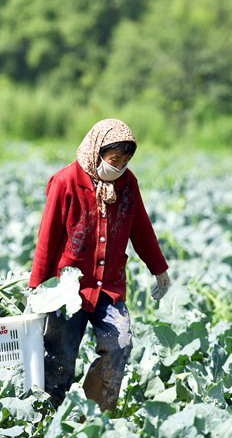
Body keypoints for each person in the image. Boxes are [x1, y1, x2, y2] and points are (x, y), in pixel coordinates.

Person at [30, 119, 171, 413]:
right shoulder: (66, 181)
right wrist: (37, 288)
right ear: (96, 151)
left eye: (125, 161)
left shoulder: (128, 184)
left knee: (120, 345)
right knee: (61, 358)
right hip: (67, 290)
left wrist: (159, 268)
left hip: (109, 286)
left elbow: (141, 230)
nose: (119, 167)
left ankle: (95, 415)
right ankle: (45, 416)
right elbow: (47, 236)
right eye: (114, 160)